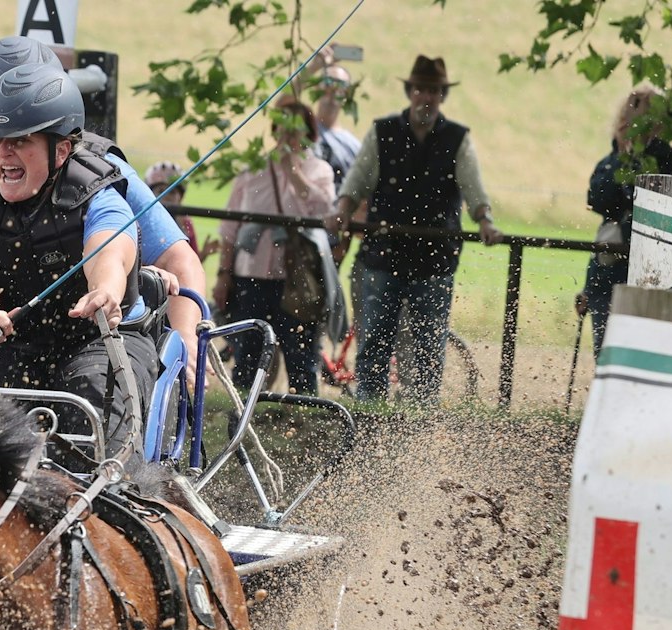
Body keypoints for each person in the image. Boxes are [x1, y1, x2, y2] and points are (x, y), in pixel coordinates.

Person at [0, 37, 209, 395]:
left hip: (98, 337)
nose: (7, 147)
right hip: (3, 343)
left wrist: (186, 341)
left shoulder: (102, 173)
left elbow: (178, 260)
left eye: (26, 133)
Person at [0, 63, 151, 467]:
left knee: (93, 409)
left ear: (61, 149)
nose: (3, 153)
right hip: (8, 341)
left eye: (20, 141)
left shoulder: (101, 198)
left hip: (98, 341)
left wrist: (105, 292)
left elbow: (109, 253)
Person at [325, 55, 503, 404]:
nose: (427, 97)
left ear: (442, 96)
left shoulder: (457, 138)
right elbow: (357, 181)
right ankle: (369, 413)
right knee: (373, 343)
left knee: (427, 351)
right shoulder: (383, 132)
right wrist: (342, 210)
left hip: (433, 261)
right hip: (383, 255)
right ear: (410, 92)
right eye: (421, 89)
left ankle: (419, 420)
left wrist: (485, 220)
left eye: (433, 91)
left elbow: (473, 187)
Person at [575, 85, 672, 351]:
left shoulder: (671, 162)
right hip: (611, 278)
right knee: (608, 355)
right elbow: (599, 199)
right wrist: (624, 154)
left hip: (660, 279)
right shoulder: (610, 163)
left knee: (651, 354)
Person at [216, 101, 335, 395]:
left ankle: (303, 414)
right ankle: (244, 414)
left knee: (301, 358)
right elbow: (230, 229)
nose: (288, 134)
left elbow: (324, 210)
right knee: (248, 357)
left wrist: (293, 171)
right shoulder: (252, 169)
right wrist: (223, 274)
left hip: (296, 280)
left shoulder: (319, 170)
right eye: (283, 125)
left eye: (295, 127)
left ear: (308, 132)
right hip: (251, 278)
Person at [312, 63, 359, 191]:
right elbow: (284, 102)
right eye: (328, 82)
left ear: (348, 94)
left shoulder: (353, 147)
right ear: (316, 87)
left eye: (342, 85)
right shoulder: (301, 131)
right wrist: (314, 66)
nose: (334, 88)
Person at [145, 161, 200, 256]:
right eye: (161, 191)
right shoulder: (143, 220)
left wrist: (203, 255)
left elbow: (192, 258)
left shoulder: (185, 223)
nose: (166, 196)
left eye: (172, 192)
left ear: (180, 197)